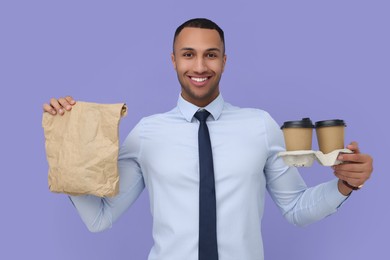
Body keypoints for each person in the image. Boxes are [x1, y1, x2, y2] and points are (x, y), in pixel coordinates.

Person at [43, 18, 373, 260]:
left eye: (211, 54)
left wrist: (344, 186)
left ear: (224, 61)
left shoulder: (260, 125)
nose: (200, 66)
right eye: (188, 54)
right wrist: (66, 144)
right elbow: (101, 218)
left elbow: (296, 209)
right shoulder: (147, 133)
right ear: (173, 61)